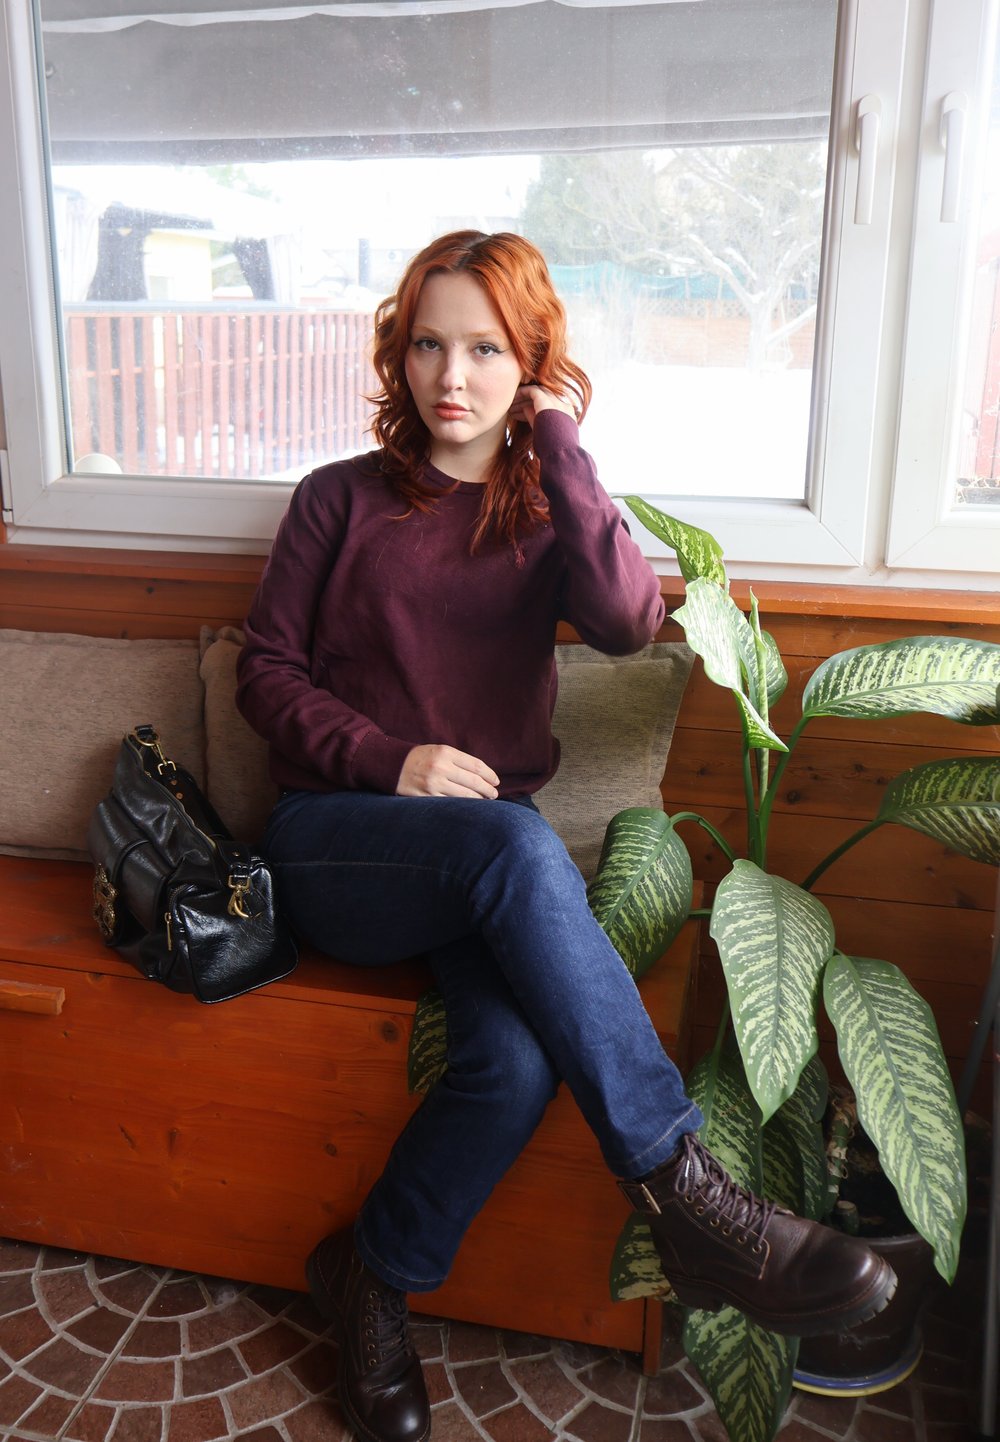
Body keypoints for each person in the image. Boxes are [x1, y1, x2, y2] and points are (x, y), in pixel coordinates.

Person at [235, 230, 896, 1442]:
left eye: (487, 348)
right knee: (510, 842)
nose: (453, 375)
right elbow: (264, 678)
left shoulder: (544, 513)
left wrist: (563, 448)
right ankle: (689, 1196)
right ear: (399, 352)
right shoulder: (337, 499)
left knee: (514, 1060)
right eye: (430, 343)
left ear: (529, 364)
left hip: (490, 857)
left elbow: (630, 619)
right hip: (338, 837)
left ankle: (370, 1273)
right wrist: (396, 758)